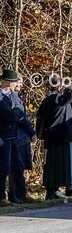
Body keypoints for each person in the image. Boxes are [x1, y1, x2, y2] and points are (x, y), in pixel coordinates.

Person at [36, 77, 72, 201]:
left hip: (54, 137)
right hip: (58, 137)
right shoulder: (56, 99)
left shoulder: (47, 99)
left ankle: (57, 189)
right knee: (55, 166)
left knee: (55, 165)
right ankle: (52, 191)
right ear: (59, 87)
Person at [1, 70, 34, 205]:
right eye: (16, 82)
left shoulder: (14, 96)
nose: (17, 85)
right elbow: (12, 115)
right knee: (4, 168)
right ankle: (1, 197)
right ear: (9, 82)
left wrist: (31, 132)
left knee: (18, 166)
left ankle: (20, 195)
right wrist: (17, 113)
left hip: (14, 136)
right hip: (3, 137)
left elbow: (21, 116)